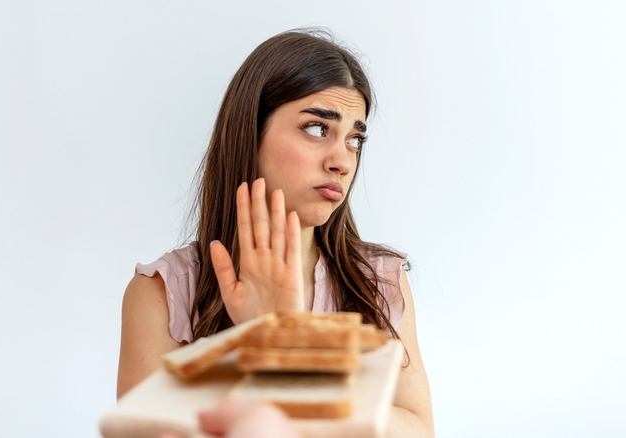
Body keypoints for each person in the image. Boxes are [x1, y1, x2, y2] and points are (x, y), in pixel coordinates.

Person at [116, 29, 434, 437]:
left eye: (355, 139)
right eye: (318, 128)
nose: (343, 160)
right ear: (251, 133)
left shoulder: (379, 280)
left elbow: (418, 429)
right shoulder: (163, 292)